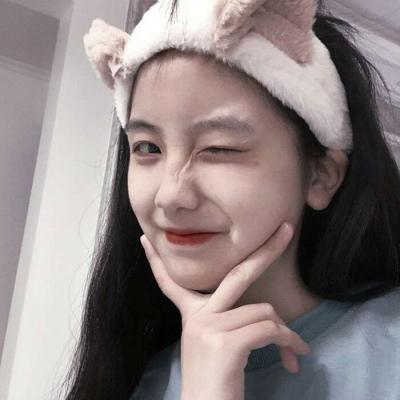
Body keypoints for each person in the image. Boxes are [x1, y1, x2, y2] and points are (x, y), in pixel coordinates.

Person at [60, 0, 400, 399]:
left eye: (219, 148)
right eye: (148, 147)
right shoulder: (139, 384)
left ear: (319, 177)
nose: (170, 196)